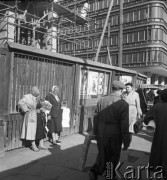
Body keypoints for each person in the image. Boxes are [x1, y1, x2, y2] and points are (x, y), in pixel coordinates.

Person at [88, 81, 131, 180]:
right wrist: (126, 140)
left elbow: (96, 117)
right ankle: (109, 174)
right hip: (115, 132)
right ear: (121, 90)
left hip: (101, 130)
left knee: (102, 153)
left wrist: (95, 132)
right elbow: (124, 125)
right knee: (113, 154)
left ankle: (95, 171)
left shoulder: (102, 100)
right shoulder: (123, 104)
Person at [144, 88, 167, 177]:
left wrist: (153, 121)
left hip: (160, 136)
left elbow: (146, 119)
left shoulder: (157, 107)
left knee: (159, 156)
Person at [18, 86, 40, 152]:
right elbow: (20, 103)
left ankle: (33, 143)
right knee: (31, 129)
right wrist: (26, 109)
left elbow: (38, 106)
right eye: (37, 90)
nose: (38, 91)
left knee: (35, 130)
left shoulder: (37, 98)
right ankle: (33, 145)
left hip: (36, 115)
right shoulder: (27, 97)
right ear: (33, 91)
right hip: (30, 115)